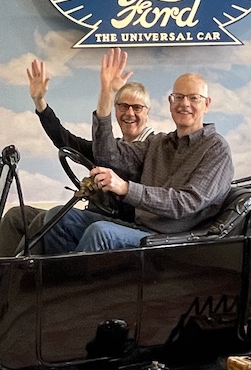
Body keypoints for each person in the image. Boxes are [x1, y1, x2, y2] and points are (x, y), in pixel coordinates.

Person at [42, 48, 233, 253]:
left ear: (207, 104)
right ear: (170, 102)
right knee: (58, 218)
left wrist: (126, 188)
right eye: (178, 97)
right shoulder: (158, 143)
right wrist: (106, 94)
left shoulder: (216, 148)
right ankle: (62, 273)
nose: (184, 104)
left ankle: (75, 275)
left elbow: (186, 202)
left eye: (193, 98)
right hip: (140, 229)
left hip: (177, 241)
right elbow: (107, 156)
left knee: (101, 232)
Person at [0, 59, 154, 257]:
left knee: (49, 220)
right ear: (116, 109)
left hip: (123, 227)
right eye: (123, 106)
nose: (129, 113)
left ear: (147, 112)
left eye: (137, 108)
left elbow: (115, 161)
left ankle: (20, 274)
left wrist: (106, 92)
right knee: (17, 216)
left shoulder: (151, 150)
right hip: (94, 217)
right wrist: (40, 104)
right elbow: (65, 140)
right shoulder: (111, 147)